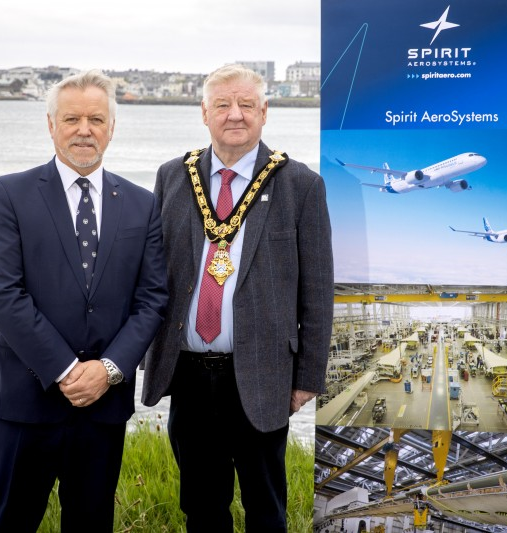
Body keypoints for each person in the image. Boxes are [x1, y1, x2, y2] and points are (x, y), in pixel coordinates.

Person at [142, 64, 334, 532]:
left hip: (263, 372)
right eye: (223, 105)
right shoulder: (173, 176)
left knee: (265, 507)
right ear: (203, 112)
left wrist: (307, 377)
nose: (235, 115)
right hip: (188, 372)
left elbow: (317, 291)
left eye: (247, 104)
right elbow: (151, 274)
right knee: (201, 505)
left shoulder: (300, 185)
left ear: (264, 112)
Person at [0, 70, 168, 533]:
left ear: (111, 128)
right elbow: (1, 295)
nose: (84, 129)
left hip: (103, 408)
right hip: (24, 403)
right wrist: (67, 370)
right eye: (72, 118)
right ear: (51, 125)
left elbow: (152, 299)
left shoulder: (143, 205)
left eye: (96, 119)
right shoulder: (10, 194)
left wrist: (107, 371)